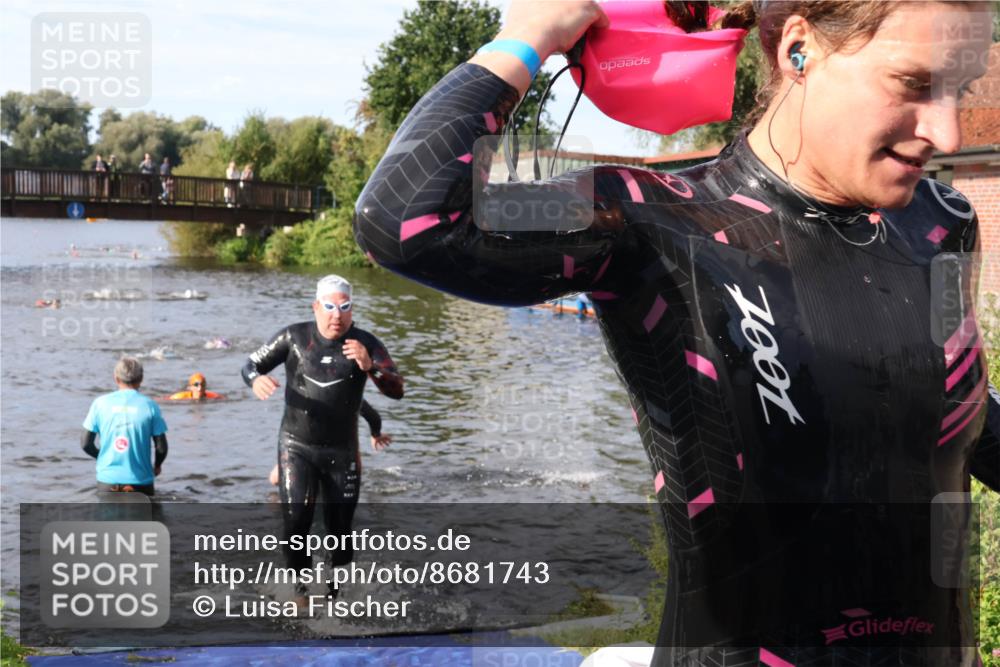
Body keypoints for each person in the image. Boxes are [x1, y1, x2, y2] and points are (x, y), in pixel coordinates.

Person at [354, 1, 998, 664]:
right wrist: (531, 35)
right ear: (798, 49)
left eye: (963, 88)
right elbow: (406, 220)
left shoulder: (940, 223)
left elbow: (944, 404)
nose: (948, 133)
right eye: (914, 84)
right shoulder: (645, 218)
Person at [241, 274, 404, 601]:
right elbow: (250, 365)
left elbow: (397, 390)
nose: (336, 315)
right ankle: (300, 593)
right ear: (316, 307)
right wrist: (255, 380)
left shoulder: (366, 343)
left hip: (342, 452)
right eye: (329, 307)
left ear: (352, 309)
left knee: (340, 530)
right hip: (296, 446)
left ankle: (336, 597)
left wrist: (370, 367)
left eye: (344, 307)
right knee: (296, 523)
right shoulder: (294, 337)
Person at [81, 357, 168, 496]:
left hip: (107, 482)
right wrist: (157, 466)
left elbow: (86, 444)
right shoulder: (150, 406)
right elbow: (161, 447)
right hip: (140, 482)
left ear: (116, 378)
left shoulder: (100, 404)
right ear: (141, 379)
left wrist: (102, 457)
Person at [267, 399, 391, 485]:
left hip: (338, 449)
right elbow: (373, 417)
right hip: (310, 447)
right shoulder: (311, 394)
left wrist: (376, 434)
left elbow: (372, 416)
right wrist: (376, 434)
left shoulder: (347, 394)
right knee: (275, 479)